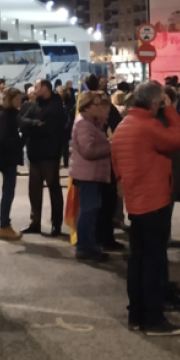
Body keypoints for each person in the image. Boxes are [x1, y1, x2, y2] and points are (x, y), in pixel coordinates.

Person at [111, 81, 180, 336]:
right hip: (154, 200)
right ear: (155, 103)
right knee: (154, 262)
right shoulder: (148, 126)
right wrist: (171, 111)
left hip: (135, 200)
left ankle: (136, 314)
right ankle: (154, 319)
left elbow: (117, 165)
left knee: (137, 262)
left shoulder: (123, 126)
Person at [19, 79, 67, 237]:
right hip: (34, 153)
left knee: (53, 188)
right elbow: (22, 120)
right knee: (34, 190)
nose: (34, 89)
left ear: (45, 89)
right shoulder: (35, 104)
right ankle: (35, 222)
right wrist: (35, 123)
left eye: (37, 87)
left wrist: (32, 127)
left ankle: (56, 224)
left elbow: (50, 129)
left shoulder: (56, 106)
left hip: (49, 154)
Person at [70, 90, 113, 262]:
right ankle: (84, 247)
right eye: (97, 105)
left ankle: (89, 245)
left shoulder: (91, 123)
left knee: (91, 210)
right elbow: (88, 150)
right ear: (87, 107)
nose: (100, 107)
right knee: (88, 210)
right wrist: (111, 145)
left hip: (92, 173)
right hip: (88, 174)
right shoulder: (83, 124)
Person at [0, 88, 24, 241]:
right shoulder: (7, 116)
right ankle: (4, 225)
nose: (19, 102)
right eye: (17, 99)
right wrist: (21, 141)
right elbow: (3, 138)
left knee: (8, 191)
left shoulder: (2, 113)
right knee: (8, 192)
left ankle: (5, 224)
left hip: (4, 157)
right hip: (7, 158)